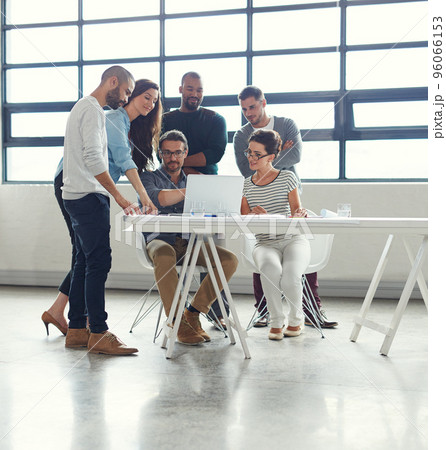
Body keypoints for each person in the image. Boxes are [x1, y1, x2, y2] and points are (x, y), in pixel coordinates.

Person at [42, 78, 162, 337]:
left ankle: (67, 317)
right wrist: (140, 198)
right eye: (145, 97)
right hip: (76, 181)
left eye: (154, 101)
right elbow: (122, 160)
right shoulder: (112, 117)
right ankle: (87, 325)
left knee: (84, 253)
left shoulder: (128, 124)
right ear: (130, 94)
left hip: (91, 185)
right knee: (89, 255)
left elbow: (127, 163)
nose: (150, 104)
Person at [61, 66, 150, 355]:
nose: (125, 98)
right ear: (112, 81)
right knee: (99, 263)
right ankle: (99, 332)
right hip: (89, 196)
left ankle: (76, 330)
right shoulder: (93, 110)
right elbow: (93, 157)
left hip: (78, 195)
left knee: (84, 263)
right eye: (125, 91)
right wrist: (120, 197)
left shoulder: (87, 108)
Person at [234, 85, 338, 329]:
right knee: (263, 245)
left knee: (296, 245)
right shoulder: (241, 135)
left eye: (252, 107)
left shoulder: (286, 123)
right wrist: (279, 151)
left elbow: (297, 155)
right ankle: (264, 311)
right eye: (244, 109)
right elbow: (244, 167)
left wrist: (269, 160)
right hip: (258, 191)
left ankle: (312, 308)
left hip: (287, 190)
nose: (248, 113)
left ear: (263, 103)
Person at [139, 130, 238, 345]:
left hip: (188, 243)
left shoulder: (197, 181)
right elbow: (159, 199)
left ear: (185, 153)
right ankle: (177, 321)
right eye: (167, 153)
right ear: (160, 154)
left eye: (177, 153)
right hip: (159, 241)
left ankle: (192, 313)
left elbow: (216, 207)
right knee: (164, 255)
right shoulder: (148, 177)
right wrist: (195, 191)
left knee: (228, 260)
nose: (173, 158)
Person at [162, 71, 230, 326]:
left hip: (209, 190)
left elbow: (215, 154)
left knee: (214, 249)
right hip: (174, 187)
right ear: (181, 89)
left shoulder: (215, 119)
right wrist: (188, 168)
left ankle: (218, 312)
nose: (195, 94)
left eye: (199, 90)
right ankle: (179, 311)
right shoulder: (166, 119)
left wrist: (179, 163)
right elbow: (162, 154)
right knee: (178, 243)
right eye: (190, 89)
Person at [241, 129, 311, 340]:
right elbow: (243, 222)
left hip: (293, 240)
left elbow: (295, 215)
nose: (251, 158)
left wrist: (298, 214)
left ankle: (296, 320)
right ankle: (276, 321)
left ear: (271, 157)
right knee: (270, 270)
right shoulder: (245, 185)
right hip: (264, 243)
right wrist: (252, 216)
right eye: (249, 152)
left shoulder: (288, 178)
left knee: (290, 275)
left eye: (257, 154)